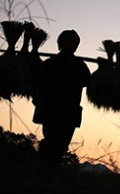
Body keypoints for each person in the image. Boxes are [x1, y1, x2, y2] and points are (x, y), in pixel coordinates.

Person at [32, 29, 91, 176]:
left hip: (69, 113)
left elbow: (89, 82)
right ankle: (43, 175)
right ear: (61, 44)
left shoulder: (79, 65)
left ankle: (47, 175)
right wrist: (39, 102)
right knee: (51, 144)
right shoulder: (50, 64)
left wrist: (104, 66)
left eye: (73, 43)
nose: (71, 45)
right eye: (68, 42)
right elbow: (37, 86)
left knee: (60, 147)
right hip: (51, 111)